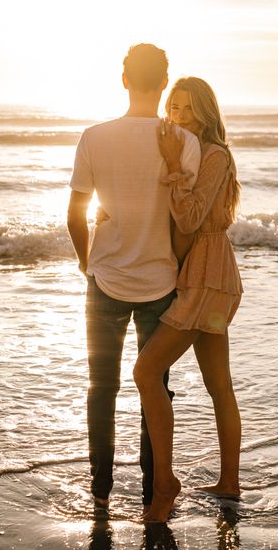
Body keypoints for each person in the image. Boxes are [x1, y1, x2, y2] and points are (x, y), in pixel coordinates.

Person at [67, 45, 201, 511]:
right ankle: (151, 493)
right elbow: (187, 220)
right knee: (156, 389)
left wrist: (89, 264)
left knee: (101, 387)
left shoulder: (94, 136)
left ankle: (100, 493)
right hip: (161, 284)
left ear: (124, 80)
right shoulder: (183, 142)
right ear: (164, 84)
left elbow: (74, 217)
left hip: (105, 279)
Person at [133, 77, 243, 522]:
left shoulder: (212, 155)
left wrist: (175, 165)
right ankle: (230, 482)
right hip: (204, 276)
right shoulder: (196, 151)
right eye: (172, 108)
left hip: (207, 278)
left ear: (204, 110)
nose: (176, 116)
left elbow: (193, 216)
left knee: (146, 369)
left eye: (185, 108)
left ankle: (168, 484)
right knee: (220, 386)